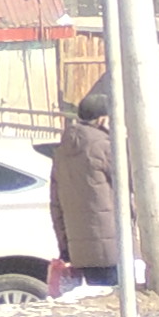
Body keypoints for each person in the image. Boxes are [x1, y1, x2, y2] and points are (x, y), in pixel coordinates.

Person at [45, 86, 120, 289]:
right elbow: (129, 184)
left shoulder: (62, 150)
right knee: (119, 301)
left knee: (100, 297)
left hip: (80, 248)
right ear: (103, 119)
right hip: (114, 244)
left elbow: (56, 204)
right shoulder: (105, 146)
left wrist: (65, 246)